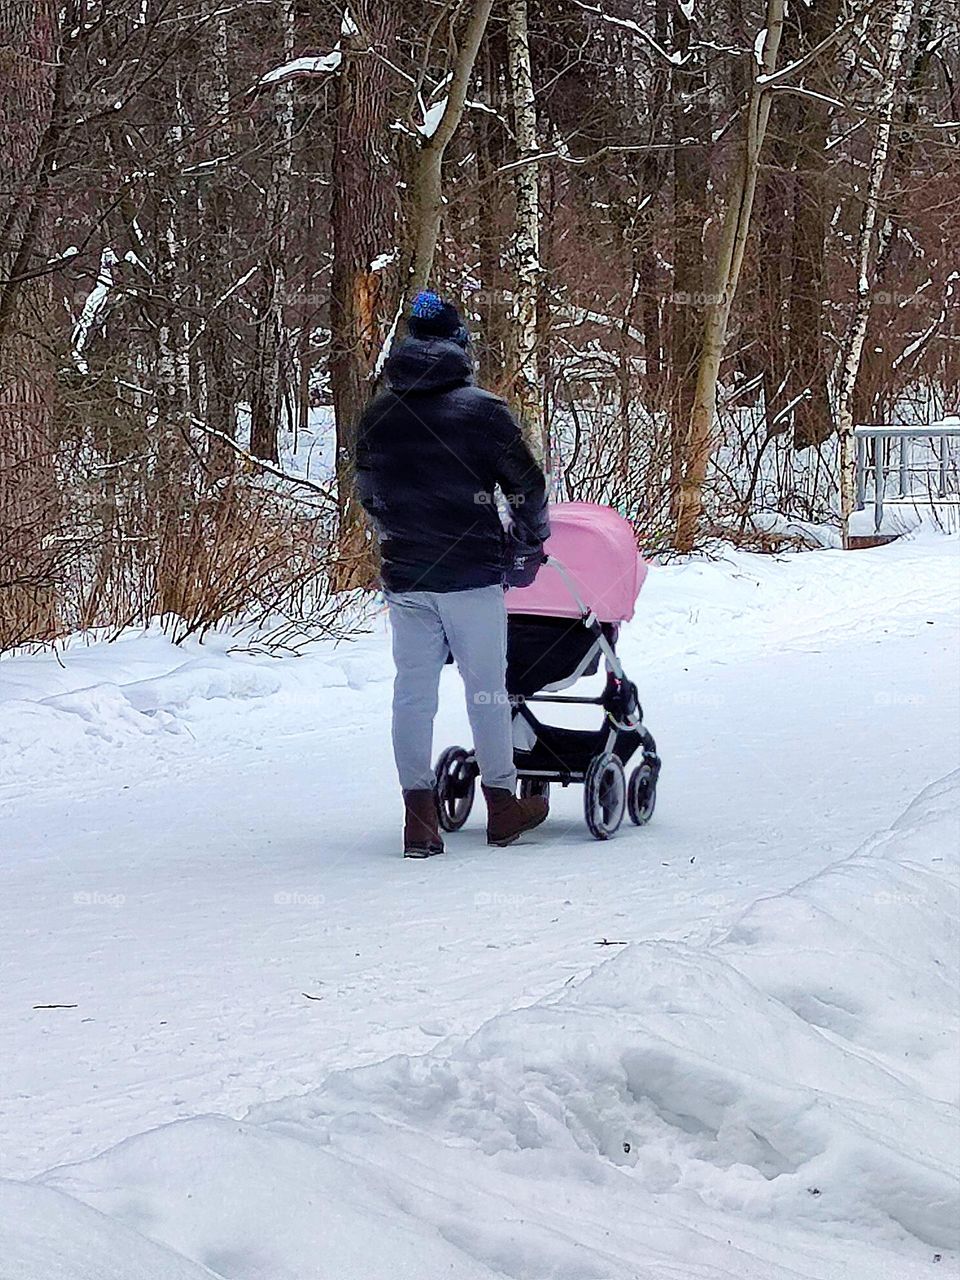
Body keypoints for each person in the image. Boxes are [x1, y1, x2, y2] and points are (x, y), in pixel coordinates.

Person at [355, 291, 550, 857]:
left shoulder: (377, 414)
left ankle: (419, 818)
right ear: (460, 347)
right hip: (471, 576)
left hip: (407, 577)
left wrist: (400, 535)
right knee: (486, 690)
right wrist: (526, 542)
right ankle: (502, 807)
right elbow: (528, 488)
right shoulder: (482, 412)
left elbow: (370, 494)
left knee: (412, 694)